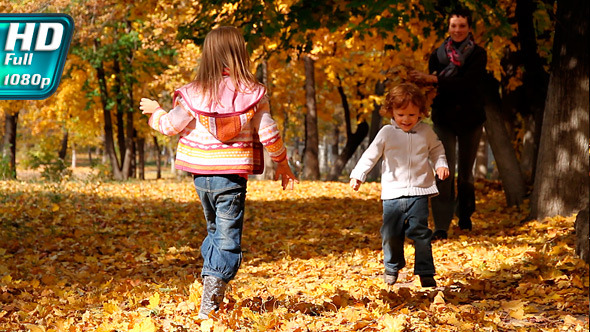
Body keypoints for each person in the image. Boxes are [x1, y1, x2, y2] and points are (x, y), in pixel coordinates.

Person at [139, 26, 298, 319]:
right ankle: (211, 291)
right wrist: (282, 163)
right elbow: (269, 132)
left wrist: (156, 111)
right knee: (227, 238)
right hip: (231, 177)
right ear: (240, 53)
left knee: (215, 231)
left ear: (208, 54)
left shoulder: (194, 94)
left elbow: (170, 127)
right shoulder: (254, 94)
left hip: (201, 176)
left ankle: (211, 277)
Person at [349, 83, 449, 288]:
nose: (406, 120)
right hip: (393, 194)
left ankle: (425, 271)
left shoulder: (425, 132)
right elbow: (371, 154)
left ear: (421, 113)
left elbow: (437, 149)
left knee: (421, 233)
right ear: (391, 111)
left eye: (412, 115)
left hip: (419, 192)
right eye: (401, 114)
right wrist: (358, 175)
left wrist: (441, 164)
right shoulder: (386, 132)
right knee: (390, 233)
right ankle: (392, 266)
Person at [409, 7, 487, 240]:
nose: (458, 30)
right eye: (454, 26)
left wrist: (435, 79)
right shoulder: (437, 55)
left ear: (469, 28)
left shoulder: (478, 54)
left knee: (466, 174)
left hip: (471, 119)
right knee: (443, 171)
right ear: (449, 28)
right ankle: (441, 225)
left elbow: (468, 83)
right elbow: (433, 89)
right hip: (444, 118)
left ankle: (465, 216)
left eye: (462, 26)